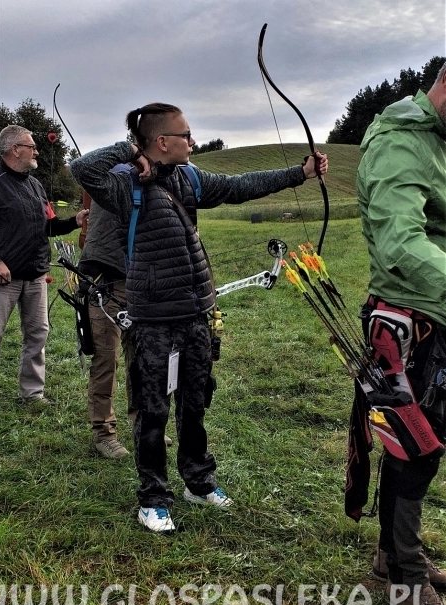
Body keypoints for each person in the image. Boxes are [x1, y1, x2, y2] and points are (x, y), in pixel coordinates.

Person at [70, 102, 328, 534]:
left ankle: (199, 481)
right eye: (185, 134)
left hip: (196, 312)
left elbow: (239, 186)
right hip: (152, 316)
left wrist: (297, 174)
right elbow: (82, 169)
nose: (192, 141)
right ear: (162, 141)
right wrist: (131, 151)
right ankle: (153, 498)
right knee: (152, 411)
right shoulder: (123, 184)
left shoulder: (188, 177)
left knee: (195, 403)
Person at [352, 63, 446, 605]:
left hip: (437, 315)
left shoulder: (438, 141)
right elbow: (400, 242)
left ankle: (394, 555)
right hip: (413, 324)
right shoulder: (399, 144)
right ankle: (406, 581)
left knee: (421, 445)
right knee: (416, 447)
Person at [78, 171, 173, 459]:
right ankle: (104, 433)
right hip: (107, 282)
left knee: (141, 359)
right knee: (107, 359)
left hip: (142, 285)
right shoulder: (116, 178)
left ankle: (142, 424)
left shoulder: (156, 182)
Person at [0, 125, 89, 403]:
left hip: (36, 274)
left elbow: (48, 225)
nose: (37, 151)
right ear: (15, 150)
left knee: (38, 335)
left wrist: (74, 221)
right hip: (4, 277)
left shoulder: (36, 185)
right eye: (31, 146)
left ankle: (32, 393)